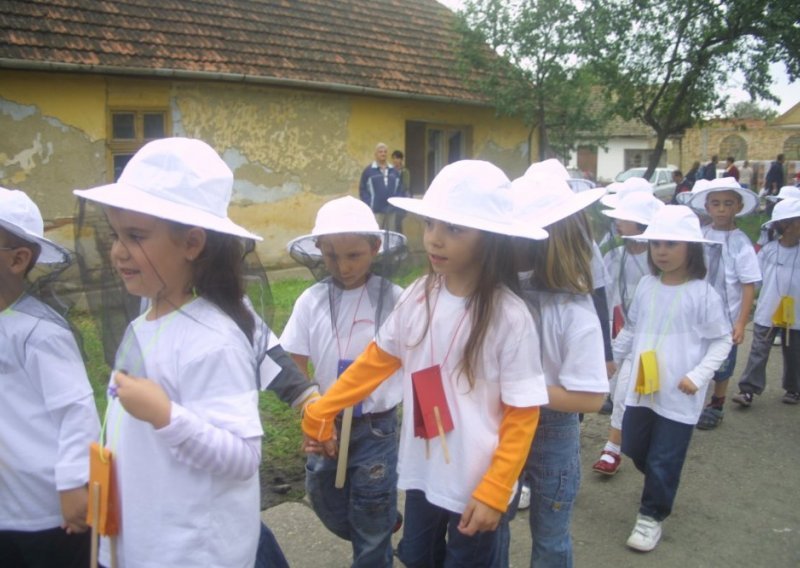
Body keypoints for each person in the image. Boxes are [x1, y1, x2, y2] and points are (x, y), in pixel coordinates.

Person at [302, 160, 549, 567]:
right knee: (417, 558)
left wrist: (495, 488)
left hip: (478, 483)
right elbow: (377, 361)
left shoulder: (511, 316)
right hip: (423, 473)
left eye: (454, 229)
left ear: (490, 238)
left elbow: (522, 413)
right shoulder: (419, 294)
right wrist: (323, 408)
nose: (434, 239)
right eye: (431, 223)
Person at [73, 138, 265, 567]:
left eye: (136, 236)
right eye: (116, 235)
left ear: (191, 243)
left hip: (190, 551)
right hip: (142, 536)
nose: (119, 250)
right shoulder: (145, 321)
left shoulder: (213, 339)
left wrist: (165, 415)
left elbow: (243, 458)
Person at [281, 196, 406, 567]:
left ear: (375, 247)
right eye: (333, 256)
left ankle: (376, 533)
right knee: (323, 496)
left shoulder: (395, 300)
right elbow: (293, 360)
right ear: (318, 250)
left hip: (376, 428)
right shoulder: (311, 300)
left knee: (369, 516)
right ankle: (381, 523)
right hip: (326, 422)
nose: (343, 266)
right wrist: (309, 409)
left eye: (354, 255)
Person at [492, 171, 609, 567]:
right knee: (492, 525)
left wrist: (519, 387)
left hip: (551, 430)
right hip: (497, 425)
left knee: (551, 535)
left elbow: (591, 397)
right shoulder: (496, 294)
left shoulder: (572, 312)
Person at [613, 205, 732, 552]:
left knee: (665, 457)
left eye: (671, 244)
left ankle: (651, 515)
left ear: (691, 248)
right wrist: (612, 359)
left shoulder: (703, 293)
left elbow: (722, 339)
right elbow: (633, 328)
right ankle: (662, 481)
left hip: (680, 394)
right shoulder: (648, 285)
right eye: (656, 244)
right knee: (634, 447)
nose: (661, 251)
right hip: (642, 389)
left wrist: (698, 375)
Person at [0, 188, 100, 568]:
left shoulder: (41, 332)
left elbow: (76, 410)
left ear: (18, 259)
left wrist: (73, 482)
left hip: (48, 510)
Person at [592, 192, 664, 476]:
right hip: (618, 330)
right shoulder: (613, 255)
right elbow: (603, 293)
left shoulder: (656, 259)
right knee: (618, 388)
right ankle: (617, 444)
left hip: (648, 334)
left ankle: (622, 446)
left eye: (624, 218)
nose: (618, 222)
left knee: (635, 391)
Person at [686, 178, 760, 430]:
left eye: (727, 204)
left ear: (738, 207)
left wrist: (741, 321)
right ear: (707, 206)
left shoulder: (741, 242)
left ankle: (717, 403)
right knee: (696, 355)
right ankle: (693, 396)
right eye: (715, 203)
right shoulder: (701, 236)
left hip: (726, 317)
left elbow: (748, 283)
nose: (721, 209)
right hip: (699, 312)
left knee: (723, 361)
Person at [732, 198, 800, 406]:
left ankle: (793, 389)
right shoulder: (769, 250)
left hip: (796, 315)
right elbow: (755, 279)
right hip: (768, 311)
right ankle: (748, 390)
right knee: (759, 351)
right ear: (784, 225)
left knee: (794, 353)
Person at [359, 143, 405, 232]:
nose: (383, 154)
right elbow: (363, 190)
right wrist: (369, 204)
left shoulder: (394, 171)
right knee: (376, 235)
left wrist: (396, 203)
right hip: (376, 211)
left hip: (391, 211)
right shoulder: (369, 171)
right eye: (380, 152)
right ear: (375, 154)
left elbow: (400, 188)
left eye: (385, 152)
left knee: (391, 236)